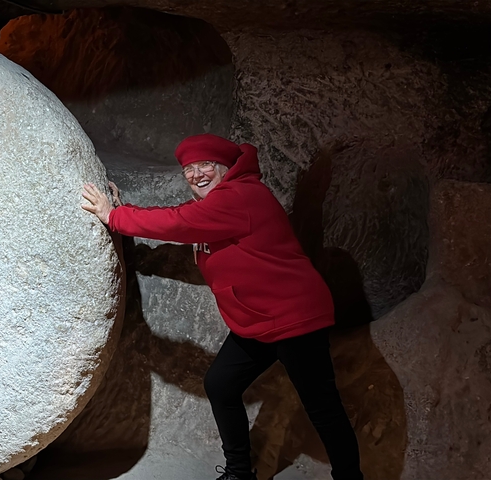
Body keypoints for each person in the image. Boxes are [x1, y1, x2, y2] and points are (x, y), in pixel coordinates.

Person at [81, 134, 363, 480]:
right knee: (221, 384)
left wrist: (115, 216)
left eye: (206, 165)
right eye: (189, 168)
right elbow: (189, 225)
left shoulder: (242, 196)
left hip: (294, 317)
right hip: (259, 322)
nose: (196, 174)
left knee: (321, 405)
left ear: (227, 168)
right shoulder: (218, 207)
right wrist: (128, 224)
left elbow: (178, 222)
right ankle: (239, 473)